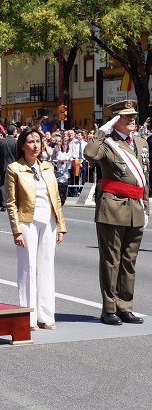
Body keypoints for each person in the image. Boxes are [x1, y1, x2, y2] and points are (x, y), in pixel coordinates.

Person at [84, 100, 149, 326]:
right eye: (125, 116)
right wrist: (101, 131)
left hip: (135, 207)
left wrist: (146, 205)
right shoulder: (107, 144)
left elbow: (144, 178)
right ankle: (109, 308)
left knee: (129, 261)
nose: (132, 119)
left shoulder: (140, 142)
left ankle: (125, 307)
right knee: (111, 261)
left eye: (133, 115)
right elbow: (90, 154)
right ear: (115, 120)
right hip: (113, 207)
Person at [6, 128, 66, 332]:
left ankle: (46, 316)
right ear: (22, 145)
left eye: (38, 141)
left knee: (46, 268)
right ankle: (28, 317)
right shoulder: (14, 168)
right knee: (28, 268)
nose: (35, 145)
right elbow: (11, 203)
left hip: (48, 220)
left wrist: (61, 226)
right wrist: (16, 230)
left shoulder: (48, 167)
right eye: (30, 142)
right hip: (27, 221)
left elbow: (56, 198)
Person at [0, 124, 18, 211]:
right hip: (14, 167)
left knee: (3, 186)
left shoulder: (2, 142)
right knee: (14, 185)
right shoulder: (16, 142)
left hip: (4, 167)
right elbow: (18, 156)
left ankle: (5, 204)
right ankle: (13, 203)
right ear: (13, 131)